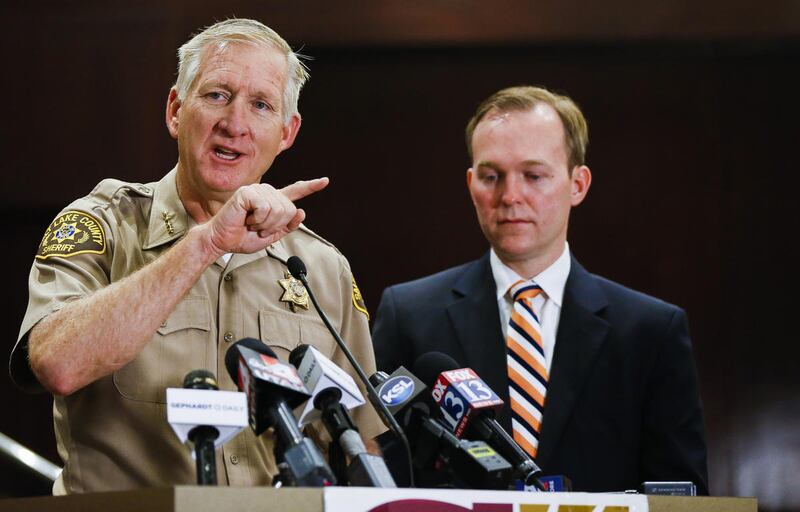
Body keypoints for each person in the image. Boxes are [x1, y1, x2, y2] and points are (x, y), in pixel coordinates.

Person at [10, 18, 383, 494]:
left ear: (287, 132)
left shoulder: (321, 268)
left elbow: (361, 444)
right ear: (175, 110)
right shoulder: (100, 226)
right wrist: (206, 242)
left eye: (261, 105)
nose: (236, 124)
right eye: (217, 96)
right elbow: (56, 364)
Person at [371, 85, 709, 493]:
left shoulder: (651, 330)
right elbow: (381, 477)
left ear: (577, 184)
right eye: (491, 176)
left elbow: (681, 495)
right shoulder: (408, 314)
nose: (510, 196)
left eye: (533, 175)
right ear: (470, 183)